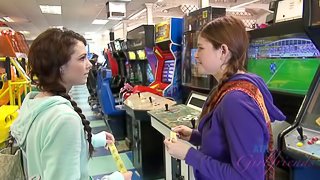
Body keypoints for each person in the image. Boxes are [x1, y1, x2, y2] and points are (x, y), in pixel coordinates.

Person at [164, 16, 286, 180]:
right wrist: (194, 136)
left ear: (223, 51)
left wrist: (189, 154)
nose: (196, 55)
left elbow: (248, 177)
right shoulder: (227, 87)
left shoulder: (236, 101)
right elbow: (227, 141)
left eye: (201, 48)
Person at [10, 28, 132, 180]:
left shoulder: (33, 102)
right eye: (81, 58)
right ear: (59, 67)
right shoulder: (64, 119)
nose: (89, 65)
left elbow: (47, 146)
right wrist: (116, 178)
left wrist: (92, 139)